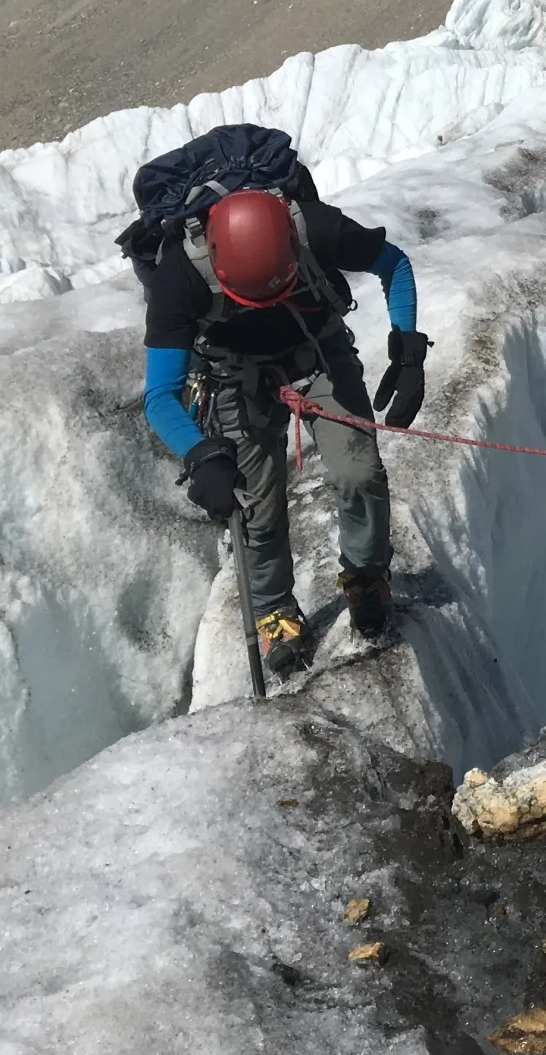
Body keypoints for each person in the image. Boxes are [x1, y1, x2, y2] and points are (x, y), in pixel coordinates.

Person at [139, 163, 428, 675]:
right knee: (256, 506)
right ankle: (273, 610)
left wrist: (408, 352)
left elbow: (394, 264)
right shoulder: (179, 279)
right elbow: (161, 393)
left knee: (357, 471)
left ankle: (366, 575)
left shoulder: (313, 226)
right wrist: (201, 453)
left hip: (316, 350)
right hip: (231, 376)